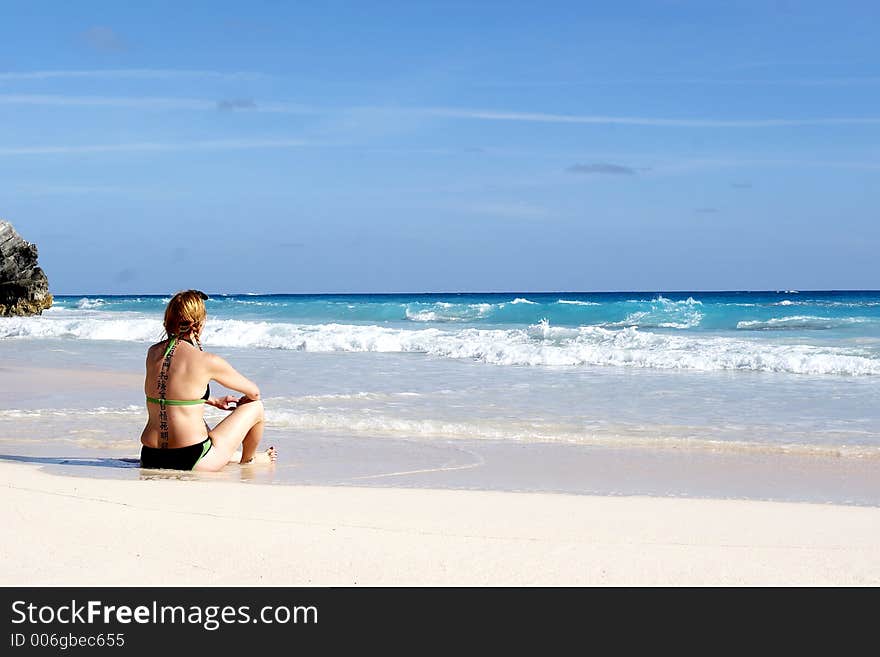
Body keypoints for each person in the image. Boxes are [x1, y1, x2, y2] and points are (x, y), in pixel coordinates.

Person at [140, 289, 277, 471]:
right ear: (199, 323)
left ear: (169, 319)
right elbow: (254, 392)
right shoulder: (207, 360)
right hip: (192, 459)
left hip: (150, 456)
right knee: (256, 406)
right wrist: (244, 401)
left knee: (198, 424)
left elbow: (169, 392)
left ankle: (233, 457)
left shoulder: (153, 353)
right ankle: (248, 461)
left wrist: (211, 400)